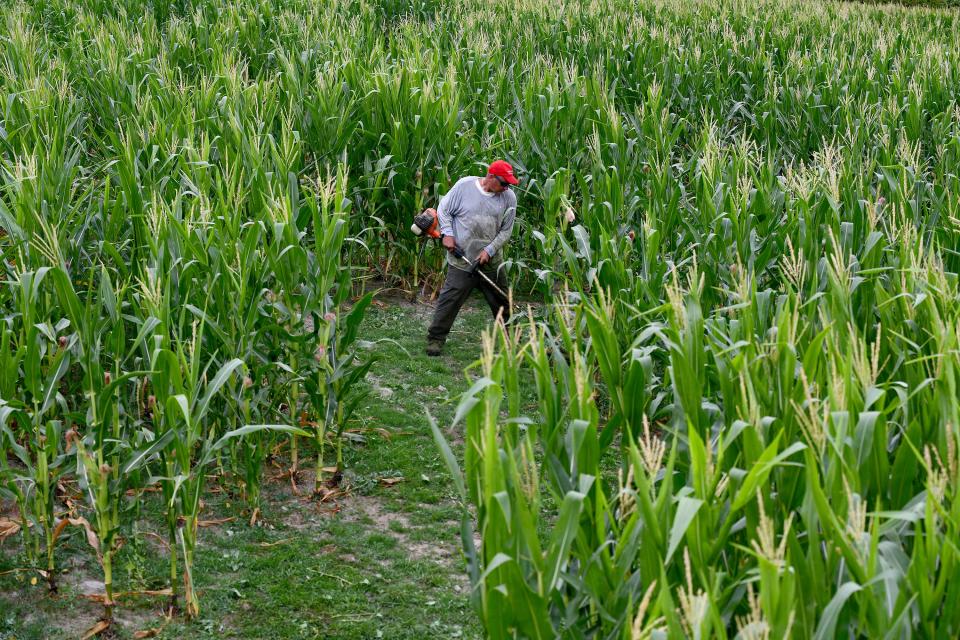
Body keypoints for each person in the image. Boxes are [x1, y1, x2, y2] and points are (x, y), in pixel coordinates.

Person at [424, 160, 519, 356]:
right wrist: (448, 234)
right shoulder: (464, 186)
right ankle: (435, 339)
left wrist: (489, 251)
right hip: (462, 259)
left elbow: (506, 231)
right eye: (504, 183)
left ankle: (513, 341)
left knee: (503, 302)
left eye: (509, 184)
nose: (506, 187)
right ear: (491, 177)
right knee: (449, 300)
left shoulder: (508, 198)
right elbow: (444, 210)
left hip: (490, 262)